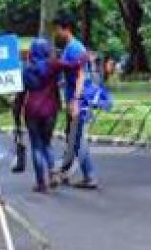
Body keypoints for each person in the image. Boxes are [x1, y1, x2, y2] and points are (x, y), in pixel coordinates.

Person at [54, 14, 98, 189]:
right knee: (72, 136)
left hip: (78, 100)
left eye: (58, 29)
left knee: (78, 139)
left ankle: (89, 176)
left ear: (66, 29)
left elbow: (81, 76)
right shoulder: (70, 48)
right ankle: (64, 172)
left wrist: (75, 100)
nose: (56, 33)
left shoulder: (74, 48)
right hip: (74, 97)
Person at [21, 39, 63, 193]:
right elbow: (58, 87)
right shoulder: (52, 68)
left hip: (32, 110)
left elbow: (21, 94)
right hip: (50, 110)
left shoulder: (26, 70)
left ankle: (41, 182)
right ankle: (52, 170)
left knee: (36, 146)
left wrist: (17, 112)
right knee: (47, 143)